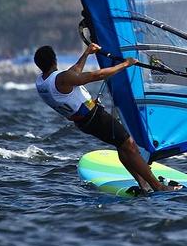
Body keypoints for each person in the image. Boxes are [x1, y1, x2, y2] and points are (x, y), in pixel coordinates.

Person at [34, 42, 178, 193]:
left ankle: (144, 184)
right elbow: (96, 75)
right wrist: (125, 64)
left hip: (83, 122)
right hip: (95, 117)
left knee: (122, 146)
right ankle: (158, 186)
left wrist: (86, 53)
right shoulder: (61, 79)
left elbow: (72, 75)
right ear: (54, 60)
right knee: (129, 146)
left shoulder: (42, 82)